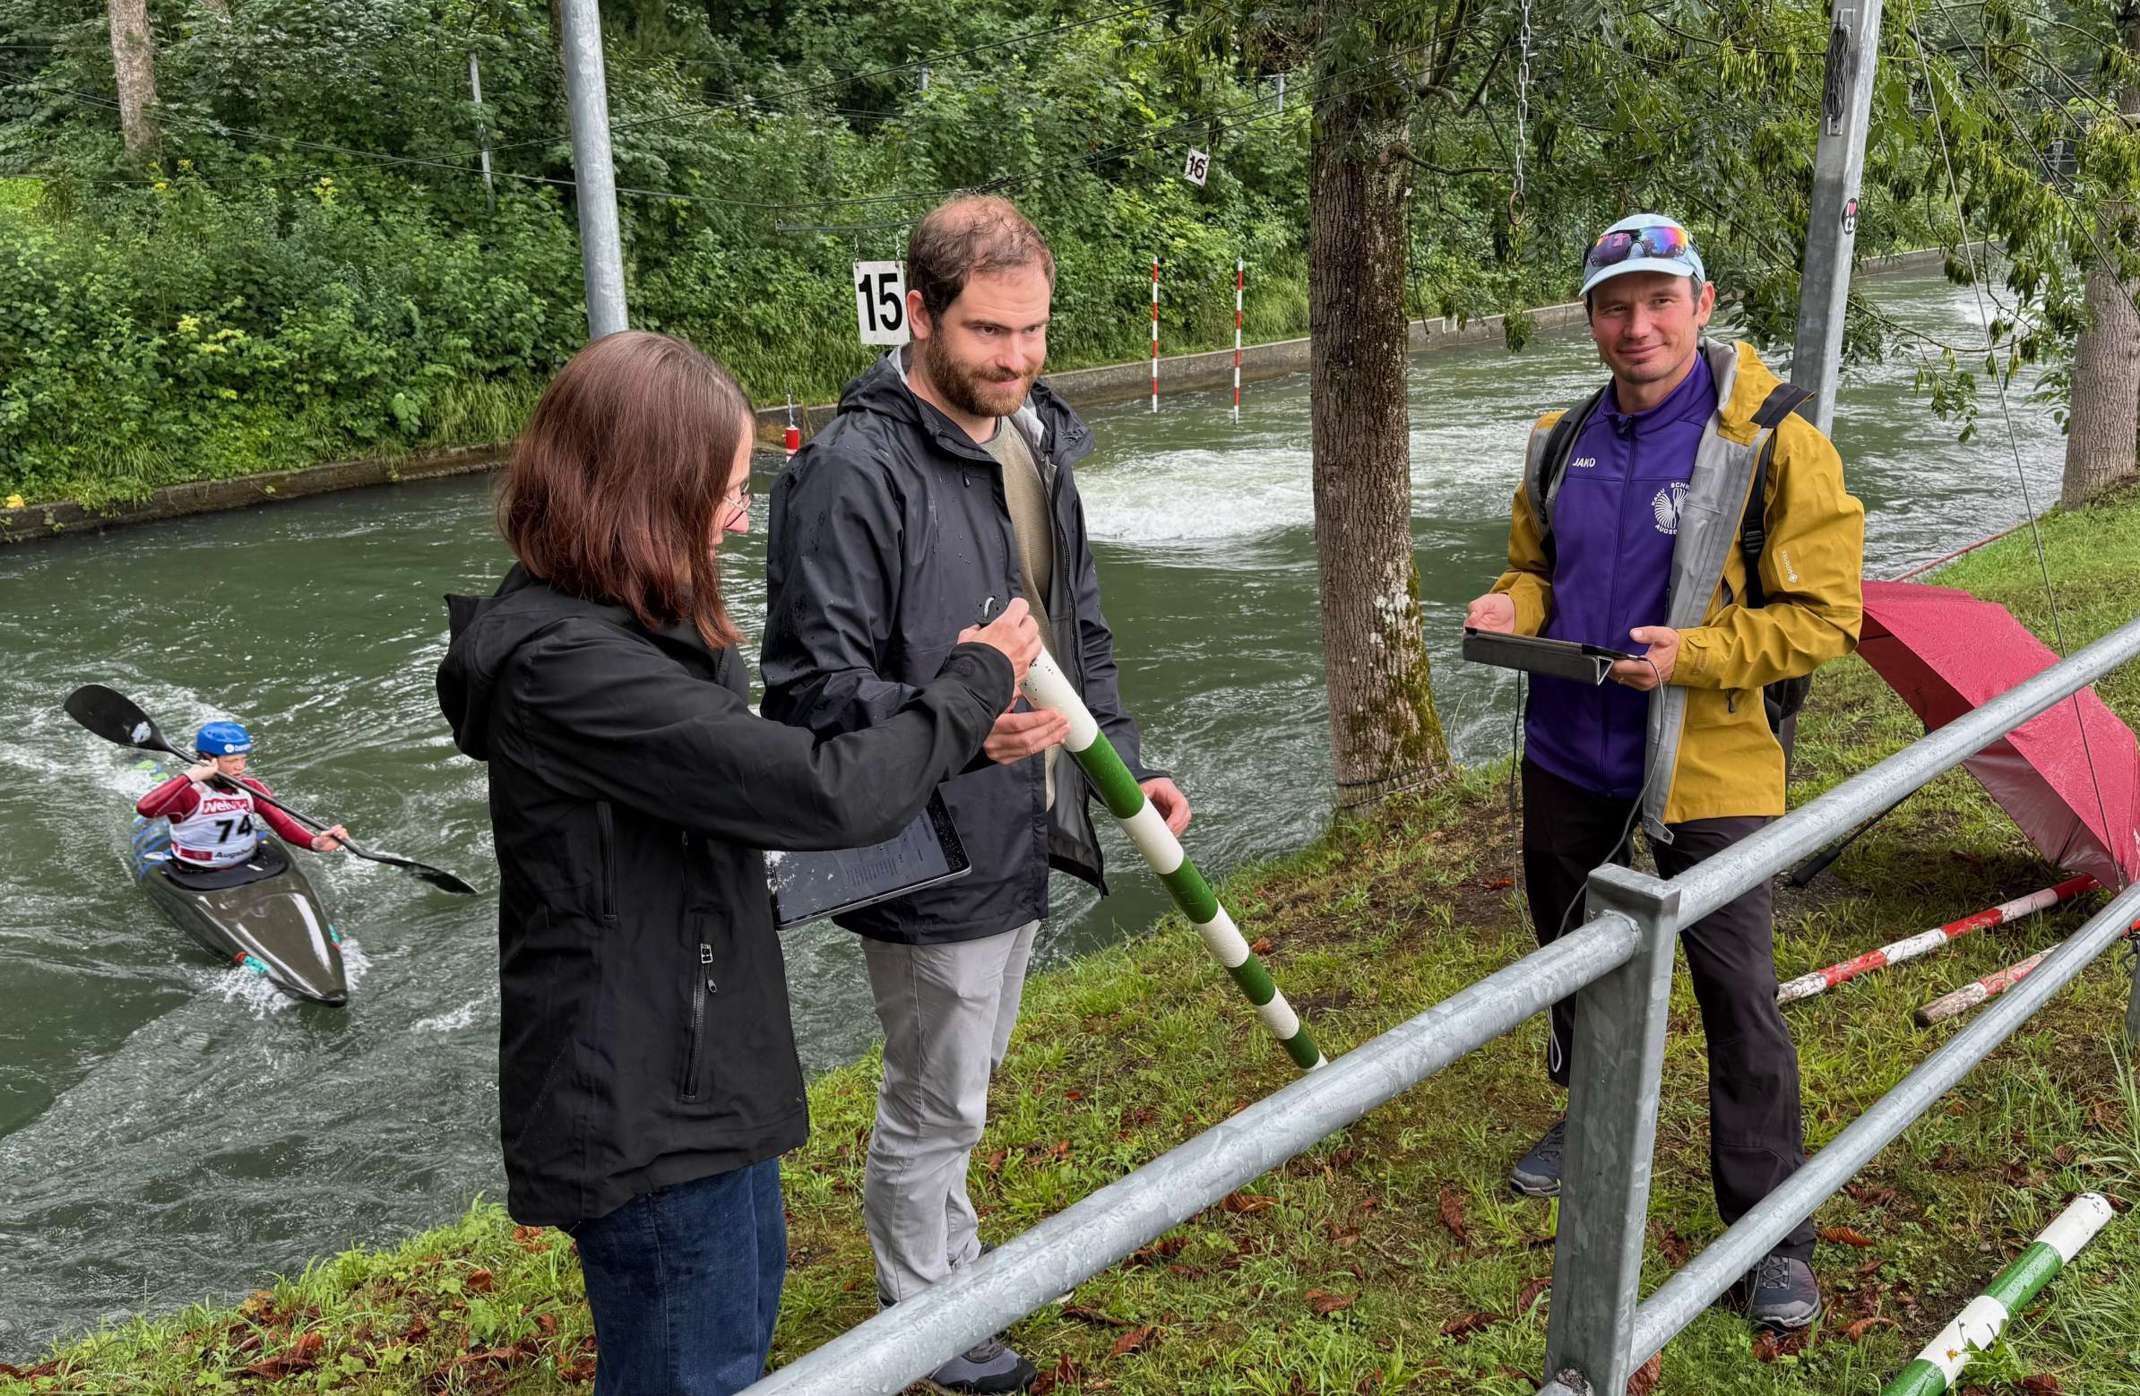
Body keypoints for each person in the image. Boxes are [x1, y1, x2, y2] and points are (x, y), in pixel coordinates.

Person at [435, 330, 1042, 1396]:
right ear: (642, 496)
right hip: (644, 1098)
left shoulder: (619, 628)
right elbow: (820, 790)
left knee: (734, 1332)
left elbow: (751, 765)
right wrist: (974, 680)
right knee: (693, 1368)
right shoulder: (570, 668)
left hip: (699, 1067)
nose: (743, 514)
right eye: (723, 490)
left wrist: (944, 729)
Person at [760, 195, 1189, 1394]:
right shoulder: (852, 470)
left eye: (1035, 331)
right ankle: (930, 1315)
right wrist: (958, 727)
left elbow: (1075, 627)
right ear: (919, 310)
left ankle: (951, 1261)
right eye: (991, 333)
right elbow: (809, 696)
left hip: (1023, 815)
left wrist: (1129, 765)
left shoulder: (1036, 432)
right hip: (926, 838)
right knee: (935, 1087)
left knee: (969, 1073)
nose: (1016, 358)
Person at [1465, 213, 1864, 1332]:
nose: (1635, 325)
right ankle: (1587, 1118)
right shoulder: (1557, 438)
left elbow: (1826, 616)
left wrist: (1697, 657)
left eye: (1657, 300)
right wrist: (1512, 607)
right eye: (1612, 304)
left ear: (1701, 301)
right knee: (1573, 962)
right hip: (1565, 753)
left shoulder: (1774, 441)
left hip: (1712, 763)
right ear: (1590, 318)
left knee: (1738, 998)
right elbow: (1537, 569)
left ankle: (1768, 1230)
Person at [135, 721, 349, 866]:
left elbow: (283, 825)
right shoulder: (189, 793)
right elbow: (146, 808)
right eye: (231, 761)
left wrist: (315, 843)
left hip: (247, 863)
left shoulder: (250, 787)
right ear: (207, 759)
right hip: (195, 869)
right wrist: (190, 776)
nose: (239, 767)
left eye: (242, 759)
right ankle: (142, 763)